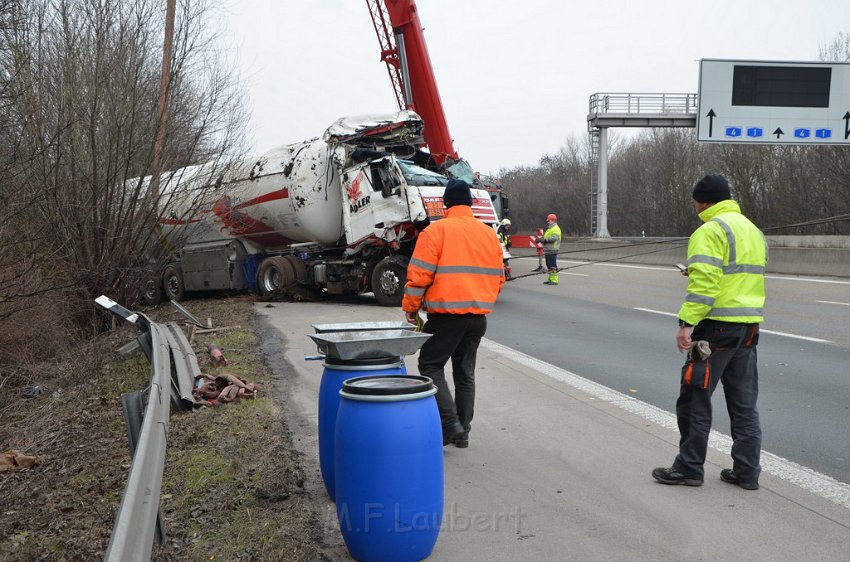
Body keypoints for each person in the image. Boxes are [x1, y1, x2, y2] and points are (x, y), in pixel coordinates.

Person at [652, 174, 767, 490]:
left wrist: (686, 324)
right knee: (744, 405)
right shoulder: (752, 231)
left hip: (714, 330)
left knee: (694, 400)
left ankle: (689, 468)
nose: (694, 207)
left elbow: (705, 286)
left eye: (695, 202)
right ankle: (747, 472)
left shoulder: (709, 230)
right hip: (748, 328)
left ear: (704, 201)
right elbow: (738, 276)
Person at [403, 179, 505, 448]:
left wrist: (411, 309)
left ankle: (450, 425)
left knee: (430, 366)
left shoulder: (436, 232)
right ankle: (464, 432)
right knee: (464, 373)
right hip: (478, 318)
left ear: (445, 203)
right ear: (470, 204)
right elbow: (499, 278)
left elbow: (419, 277)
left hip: (446, 316)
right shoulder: (488, 234)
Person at [536, 214, 561, 285]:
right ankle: (550, 279)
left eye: (549, 220)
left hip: (552, 249)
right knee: (548, 264)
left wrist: (544, 240)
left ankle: (554, 280)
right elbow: (545, 237)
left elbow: (554, 238)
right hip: (548, 249)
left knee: (552, 265)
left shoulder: (556, 228)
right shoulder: (550, 228)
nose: (547, 222)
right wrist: (540, 239)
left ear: (553, 220)